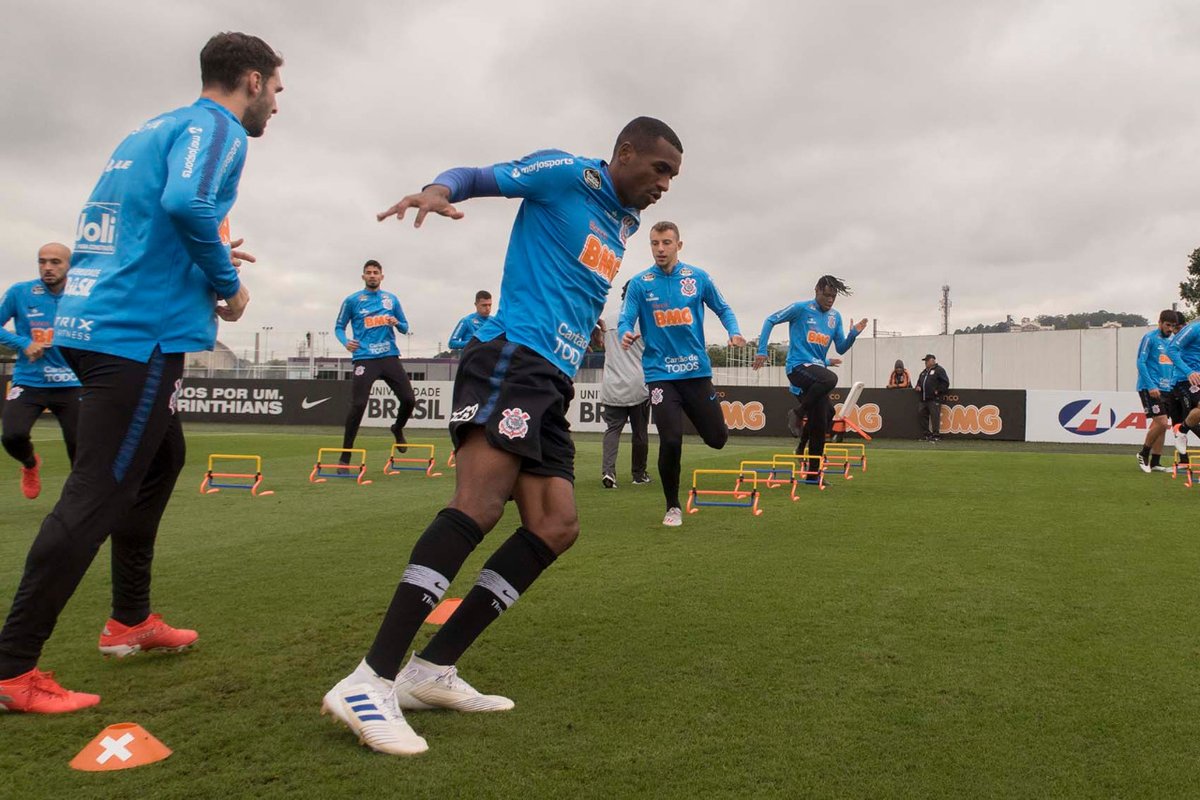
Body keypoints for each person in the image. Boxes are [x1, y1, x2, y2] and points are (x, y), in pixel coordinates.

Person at [322, 117, 684, 756]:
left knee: (556, 525)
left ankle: (431, 672)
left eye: (672, 179)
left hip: (553, 379)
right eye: (659, 171)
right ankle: (370, 679)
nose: (664, 186)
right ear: (625, 154)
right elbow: (479, 176)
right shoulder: (568, 173)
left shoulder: (625, 223)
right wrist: (439, 189)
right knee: (478, 506)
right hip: (513, 359)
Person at [0, 32, 283, 714]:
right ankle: (12, 670)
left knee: (163, 459)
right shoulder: (217, 128)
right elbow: (188, 205)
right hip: (138, 336)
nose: (276, 104)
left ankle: (130, 619)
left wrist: (204, 249)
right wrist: (228, 285)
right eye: (276, 89)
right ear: (250, 80)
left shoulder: (153, 127)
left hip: (95, 323)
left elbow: (137, 222)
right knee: (96, 493)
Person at [618, 222, 743, 525]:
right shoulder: (639, 283)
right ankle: (672, 506)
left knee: (717, 439)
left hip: (696, 372)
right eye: (654, 243)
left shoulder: (697, 277)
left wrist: (734, 332)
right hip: (660, 374)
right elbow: (626, 318)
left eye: (666, 243)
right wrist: (624, 333)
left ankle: (696, 410)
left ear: (679, 245)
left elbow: (723, 308)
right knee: (671, 440)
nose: (660, 249)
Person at [753, 276, 865, 479]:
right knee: (830, 379)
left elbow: (840, 348)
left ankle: (812, 473)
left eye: (833, 296)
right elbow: (770, 320)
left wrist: (852, 335)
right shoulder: (800, 308)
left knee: (824, 416)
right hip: (797, 367)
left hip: (815, 372)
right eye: (826, 295)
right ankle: (797, 412)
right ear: (816, 290)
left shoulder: (835, 317)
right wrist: (762, 350)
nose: (830, 300)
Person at [0, 243, 81, 499]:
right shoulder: (20, 292)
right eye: (42, 261)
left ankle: (77, 502)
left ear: (70, 265)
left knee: (80, 447)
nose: (47, 267)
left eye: (55, 262)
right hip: (30, 381)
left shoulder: (83, 295)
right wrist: (24, 343)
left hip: (73, 383)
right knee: (12, 435)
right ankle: (30, 464)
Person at [334, 259, 415, 457]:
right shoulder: (352, 300)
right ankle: (345, 456)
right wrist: (345, 341)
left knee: (408, 399)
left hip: (389, 356)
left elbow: (405, 327)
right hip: (365, 357)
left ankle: (397, 428)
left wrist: (397, 323)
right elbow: (339, 327)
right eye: (368, 272)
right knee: (359, 405)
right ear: (363, 276)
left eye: (375, 272)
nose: (372, 275)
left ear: (381, 276)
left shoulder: (391, 299)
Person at [600, 282, 650, 489]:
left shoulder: (609, 319)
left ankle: (608, 472)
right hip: (638, 384)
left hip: (612, 384)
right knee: (640, 432)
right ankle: (638, 474)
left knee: (612, 430)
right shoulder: (645, 322)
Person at [1135, 310, 1179, 472]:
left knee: (1160, 425)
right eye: (1168, 325)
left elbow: (1175, 364)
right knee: (1161, 422)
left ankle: (1155, 462)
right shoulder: (1150, 338)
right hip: (1150, 387)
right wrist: (1151, 385)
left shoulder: (1174, 341)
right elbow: (1141, 362)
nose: (1170, 329)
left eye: (1173, 326)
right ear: (1160, 322)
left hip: (1168, 388)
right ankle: (1143, 453)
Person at [1166, 313, 1200, 467]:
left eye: (1176, 327)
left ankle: (1182, 431)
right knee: (1186, 417)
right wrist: (1188, 371)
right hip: (1185, 380)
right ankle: (1183, 455)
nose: (1175, 330)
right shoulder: (1193, 329)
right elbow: (1171, 350)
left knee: (1192, 416)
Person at [915, 354, 950, 441]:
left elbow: (945, 382)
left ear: (932, 361)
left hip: (934, 399)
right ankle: (927, 435)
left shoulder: (939, 370)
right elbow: (919, 382)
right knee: (922, 415)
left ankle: (936, 435)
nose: (925, 362)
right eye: (925, 361)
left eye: (927, 361)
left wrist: (938, 390)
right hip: (923, 399)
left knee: (935, 417)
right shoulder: (924, 372)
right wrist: (918, 386)